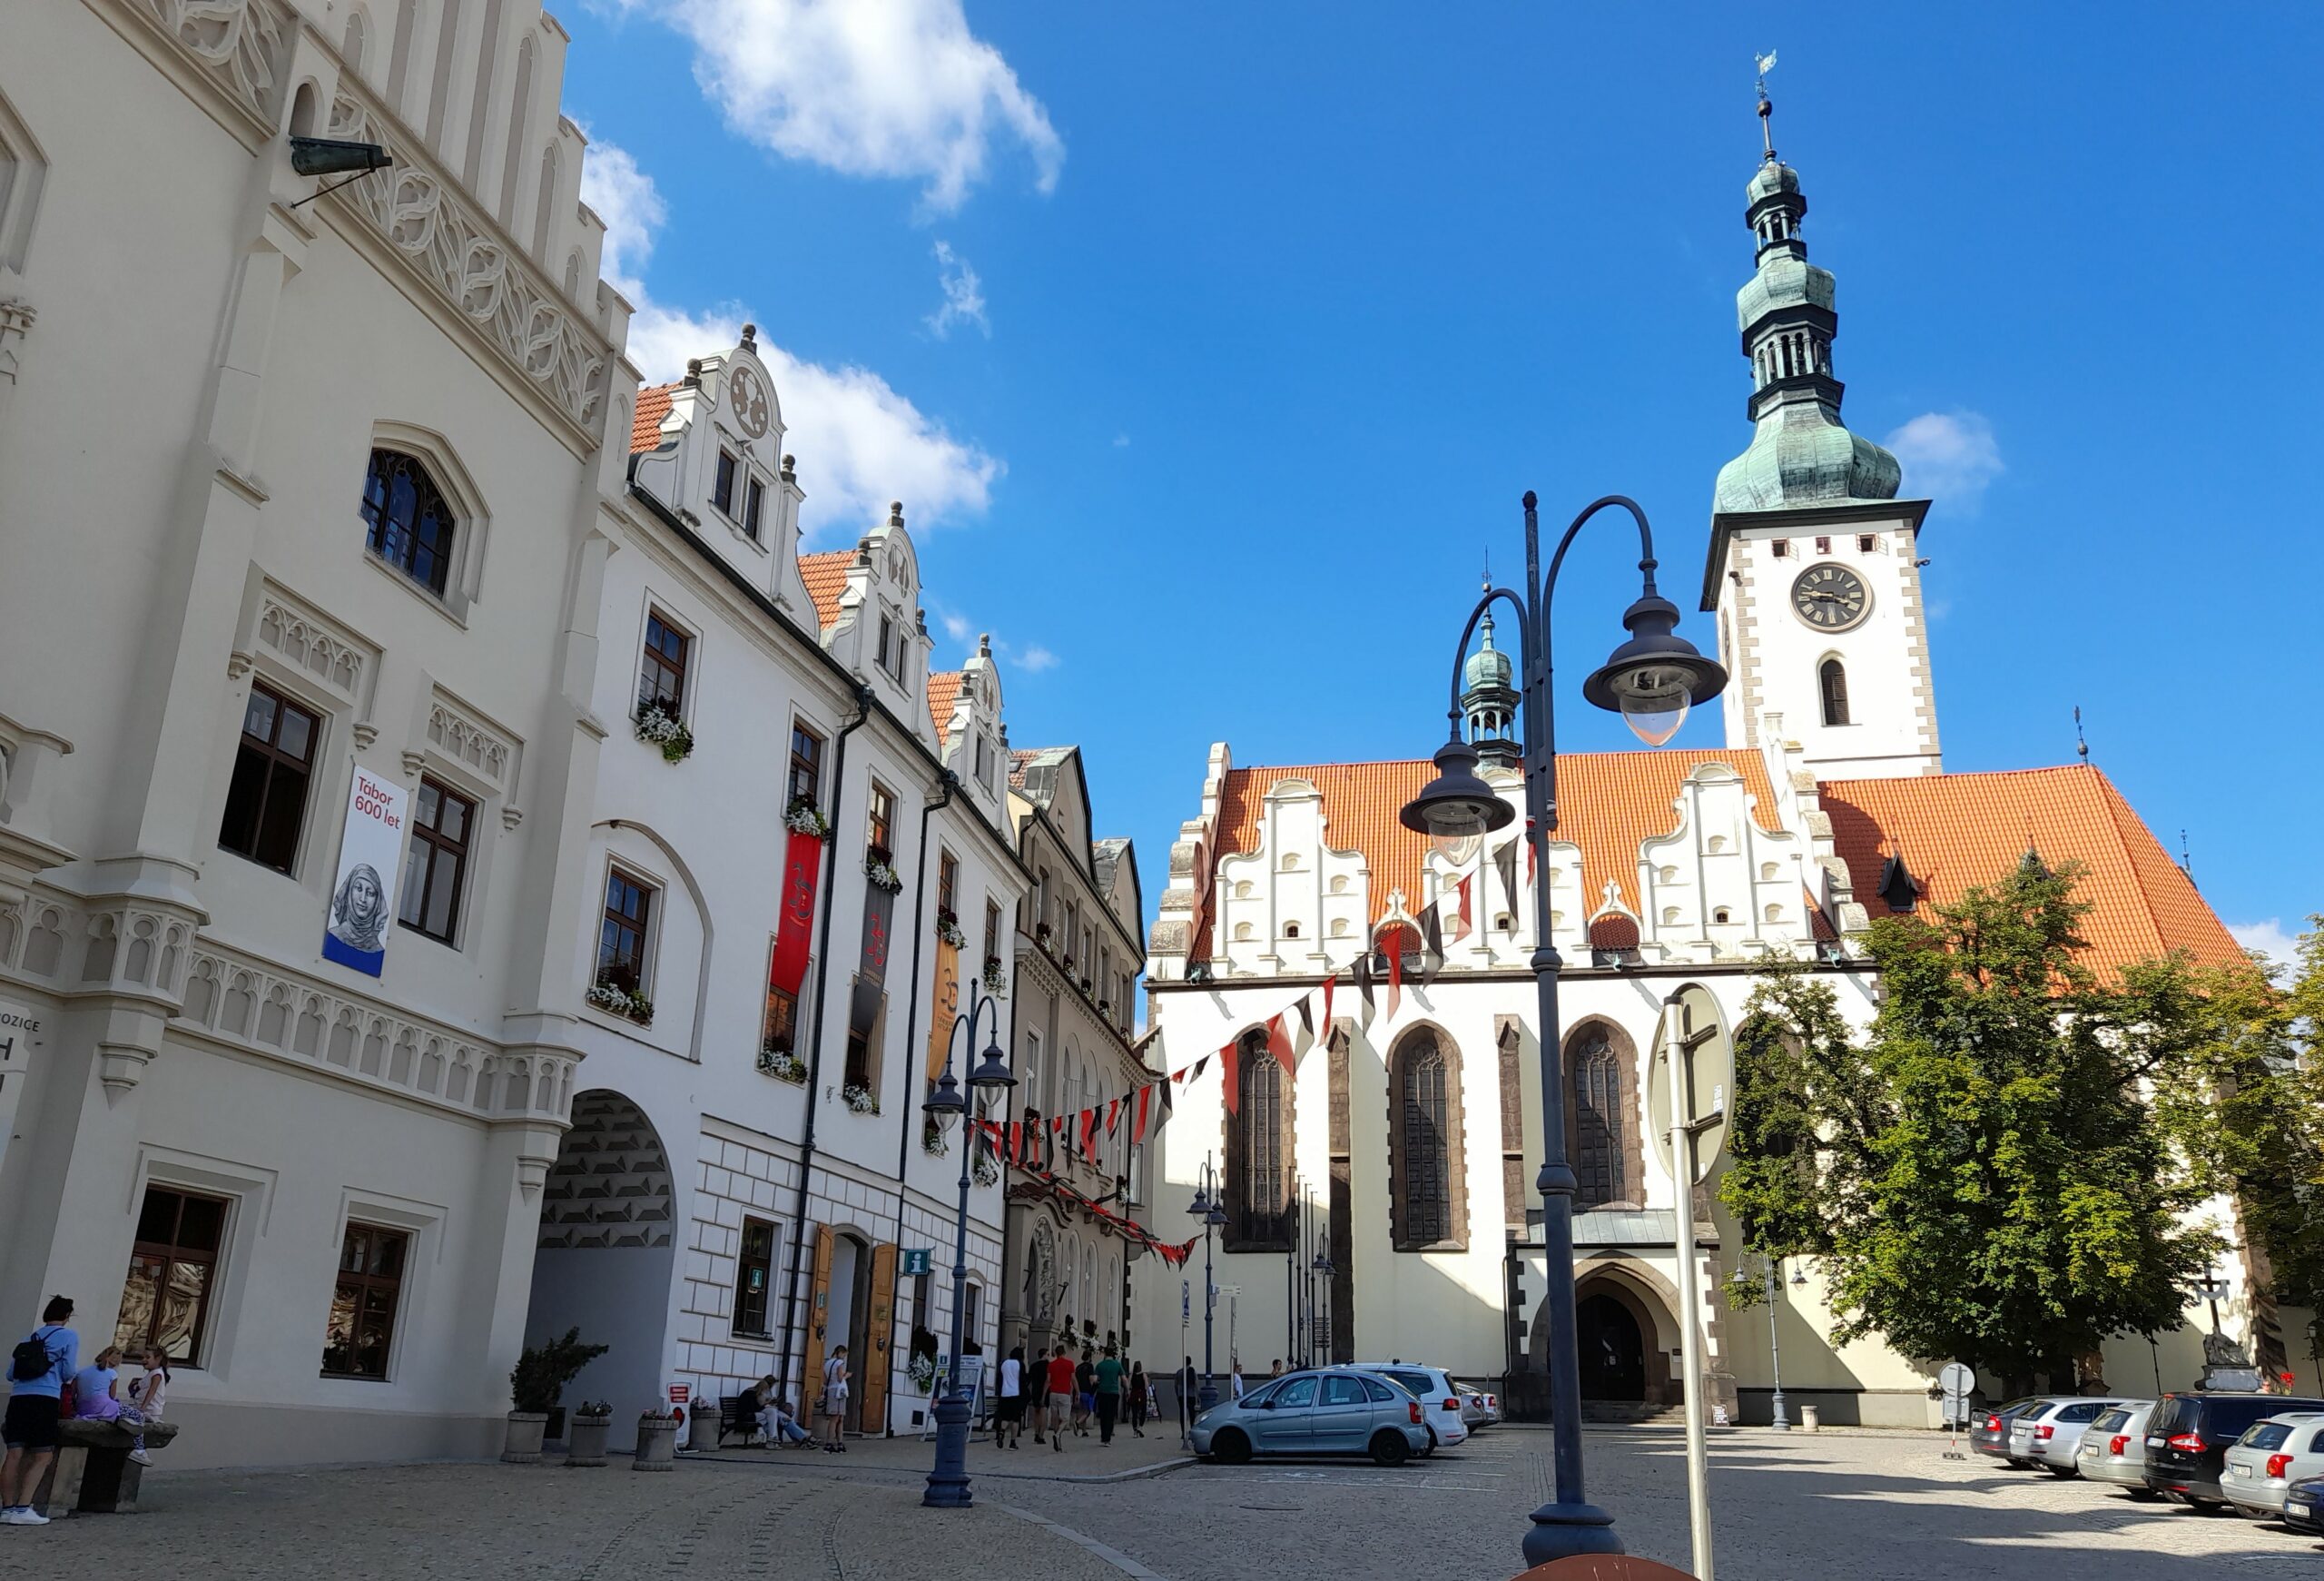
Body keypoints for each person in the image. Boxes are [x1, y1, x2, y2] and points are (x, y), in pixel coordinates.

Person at [2, 1295, 80, 1527]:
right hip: (44, 1397)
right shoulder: (68, 1336)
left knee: (13, 1454)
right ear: (67, 1316)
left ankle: (6, 1508)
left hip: (19, 1398)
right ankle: (23, 1507)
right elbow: (68, 1373)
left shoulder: (30, 1337)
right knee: (43, 1455)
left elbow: (10, 1374)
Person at [125, 1345, 169, 1465]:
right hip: (142, 1408)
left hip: (148, 1410)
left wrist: (142, 1408)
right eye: (142, 1357)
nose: (143, 1360)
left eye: (147, 1357)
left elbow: (152, 1391)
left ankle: (140, 1450)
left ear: (158, 1358)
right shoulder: (151, 1374)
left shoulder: (157, 1374)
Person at [1043, 1343, 1076, 1455]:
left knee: (1055, 1417)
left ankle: (1059, 1444)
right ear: (1064, 1353)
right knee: (1065, 1419)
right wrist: (1078, 1391)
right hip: (1064, 1393)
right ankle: (1057, 1436)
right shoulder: (1069, 1364)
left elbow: (1048, 1380)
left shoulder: (1051, 1365)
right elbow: (1073, 1379)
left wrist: (1044, 1394)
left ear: (1056, 1353)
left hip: (1053, 1393)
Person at [819, 1345, 850, 1452]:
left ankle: (838, 1443)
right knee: (836, 1419)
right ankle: (831, 1443)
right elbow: (840, 1379)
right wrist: (846, 1376)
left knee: (837, 1418)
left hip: (830, 1390)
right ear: (840, 1353)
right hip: (838, 1392)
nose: (844, 1358)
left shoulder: (827, 1363)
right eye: (844, 1355)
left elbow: (825, 1381)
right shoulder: (839, 1363)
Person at [1093, 1345, 1125, 1446]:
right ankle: (1108, 1438)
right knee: (1110, 1415)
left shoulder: (1100, 1365)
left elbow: (1094, 1380)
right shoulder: (1117, 1365)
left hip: (1102, 1392)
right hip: (1113, 1392)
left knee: (1103, 1415)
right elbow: (1124, 1379)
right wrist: (1127, 1390)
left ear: (1105, 1354)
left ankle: (1103, 1437)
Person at [996, 1345, 1026, 1448]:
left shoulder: (1004, 1363)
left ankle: (1002, 1431)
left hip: (1005, 1393)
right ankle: (1012, 1442)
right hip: (1016, 1394)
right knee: (1015, 1419)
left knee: (1006, 1417)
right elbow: (1023, 1381)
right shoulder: (1020, 1364)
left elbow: (999, 1379)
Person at [1074, 1349, 1098, 1436]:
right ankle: (1077, 1422)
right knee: (1088, 1411)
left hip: (1079, 1391)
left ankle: (1084, 1431)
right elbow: (1091, 1379)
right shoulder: (1090, 1366)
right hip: (1087, 1391)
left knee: (1081, 1410)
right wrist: (1094, 1386)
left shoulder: (1078, 1367)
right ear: (1089, 1357)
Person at [1127, 1360, 1149, 1438]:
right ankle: (1140, 1427)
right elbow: (1146, 1385)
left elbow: (1128, 1385)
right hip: (1142, 1394)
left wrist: (1129, 1393)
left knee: (1134, 1413)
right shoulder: (1144, 1375)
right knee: (1143, 1412)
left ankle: (1135, 1431)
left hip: (1134, 1394)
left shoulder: (1131, 1375)